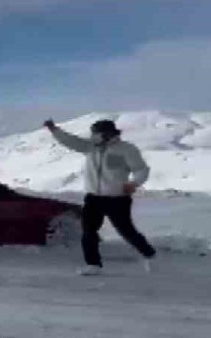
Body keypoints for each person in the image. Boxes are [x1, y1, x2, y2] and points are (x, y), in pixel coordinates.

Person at [43, 118, 156, 275]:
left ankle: (150, 255)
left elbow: (141, 170)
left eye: (97, 133)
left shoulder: (126, 149)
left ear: (109, 134)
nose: (94, 136)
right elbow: (70, 141)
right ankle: (93, 264)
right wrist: (54, 130)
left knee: (126, 231)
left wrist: (134, 183)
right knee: (88, 230)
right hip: (93, 198)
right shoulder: (90, 147)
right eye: (93, 133)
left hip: (117, 199)